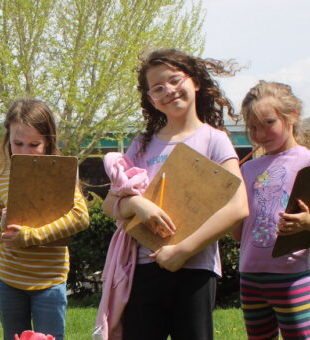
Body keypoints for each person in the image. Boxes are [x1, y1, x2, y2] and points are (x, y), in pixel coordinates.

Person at [100, 49, 249, 339]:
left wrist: (182, 251)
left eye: (174, 80)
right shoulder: (141, 145)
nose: (168, 90)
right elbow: (110, 204)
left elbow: (238, 206)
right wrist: (137, 204)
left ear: (194, 82)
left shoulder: (214, 139)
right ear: (150, 99)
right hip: (142, 269)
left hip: (195, 269)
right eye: (157, 88)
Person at [233, 81, 310, 340]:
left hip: (292, 279)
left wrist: (307, 222)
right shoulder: (247, 170)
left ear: (291, 116)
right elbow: (239, 235)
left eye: (268, 123)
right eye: (252, 128)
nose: (260, 134)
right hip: (250, 277)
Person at [0, 99, 90, 340]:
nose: (25, 151)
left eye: (34, 144)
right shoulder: (0, 181)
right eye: (17, 143)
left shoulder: (59, 175)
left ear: (48, 142)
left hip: (49, 282)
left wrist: (30, 236)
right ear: (7, 140)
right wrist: (2, 226)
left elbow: (81, 217)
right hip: (8, 281)